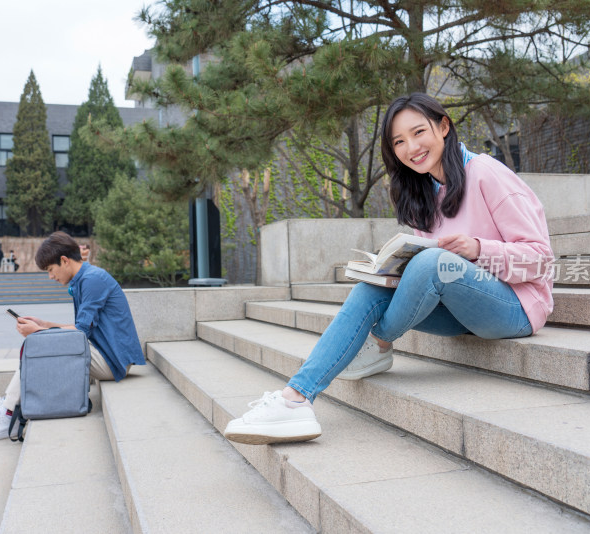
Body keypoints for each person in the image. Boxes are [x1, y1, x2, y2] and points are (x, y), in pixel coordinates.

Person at [224, 93, 554, 445]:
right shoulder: (424, 192)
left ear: (443, 127)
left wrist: (479, 249)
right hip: (463, 309)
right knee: (372, 287)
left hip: (515, 307)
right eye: (399, 141)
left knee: (432, 263)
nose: (411, 147)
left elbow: (540, 259)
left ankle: (377, 342)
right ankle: (296, 399)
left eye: (418, 133)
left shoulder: (486, 172)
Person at [0, 232, 145, 443]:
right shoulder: (85, 278)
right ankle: (8, 407)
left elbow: (79, 334)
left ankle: (6, 415)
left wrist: (39, 333)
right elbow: (80, 329)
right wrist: (45, 324)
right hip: (102, 351)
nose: (50, 276)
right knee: (42, 342)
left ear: (64, 261)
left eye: (51, 270)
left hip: (112, 361)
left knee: (41, 346)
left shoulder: (92, 280)